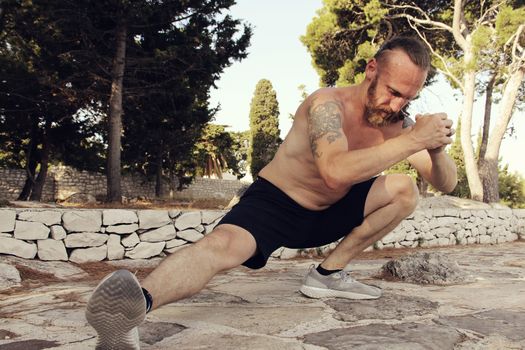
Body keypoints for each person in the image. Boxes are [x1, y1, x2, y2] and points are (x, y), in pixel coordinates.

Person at [85, 36, 457, 349]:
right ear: (371, 70)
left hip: (331, 212)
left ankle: (328, 274)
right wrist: (412, 140)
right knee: (221, 247)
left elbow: (447, 183)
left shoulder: (400, 124)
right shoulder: (326, 104)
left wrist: (435, 148)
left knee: (404, 188)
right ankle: (131, 309)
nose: (397, 105)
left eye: (408, 98)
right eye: (393, 92)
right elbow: (333, 170)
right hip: (276, 204)